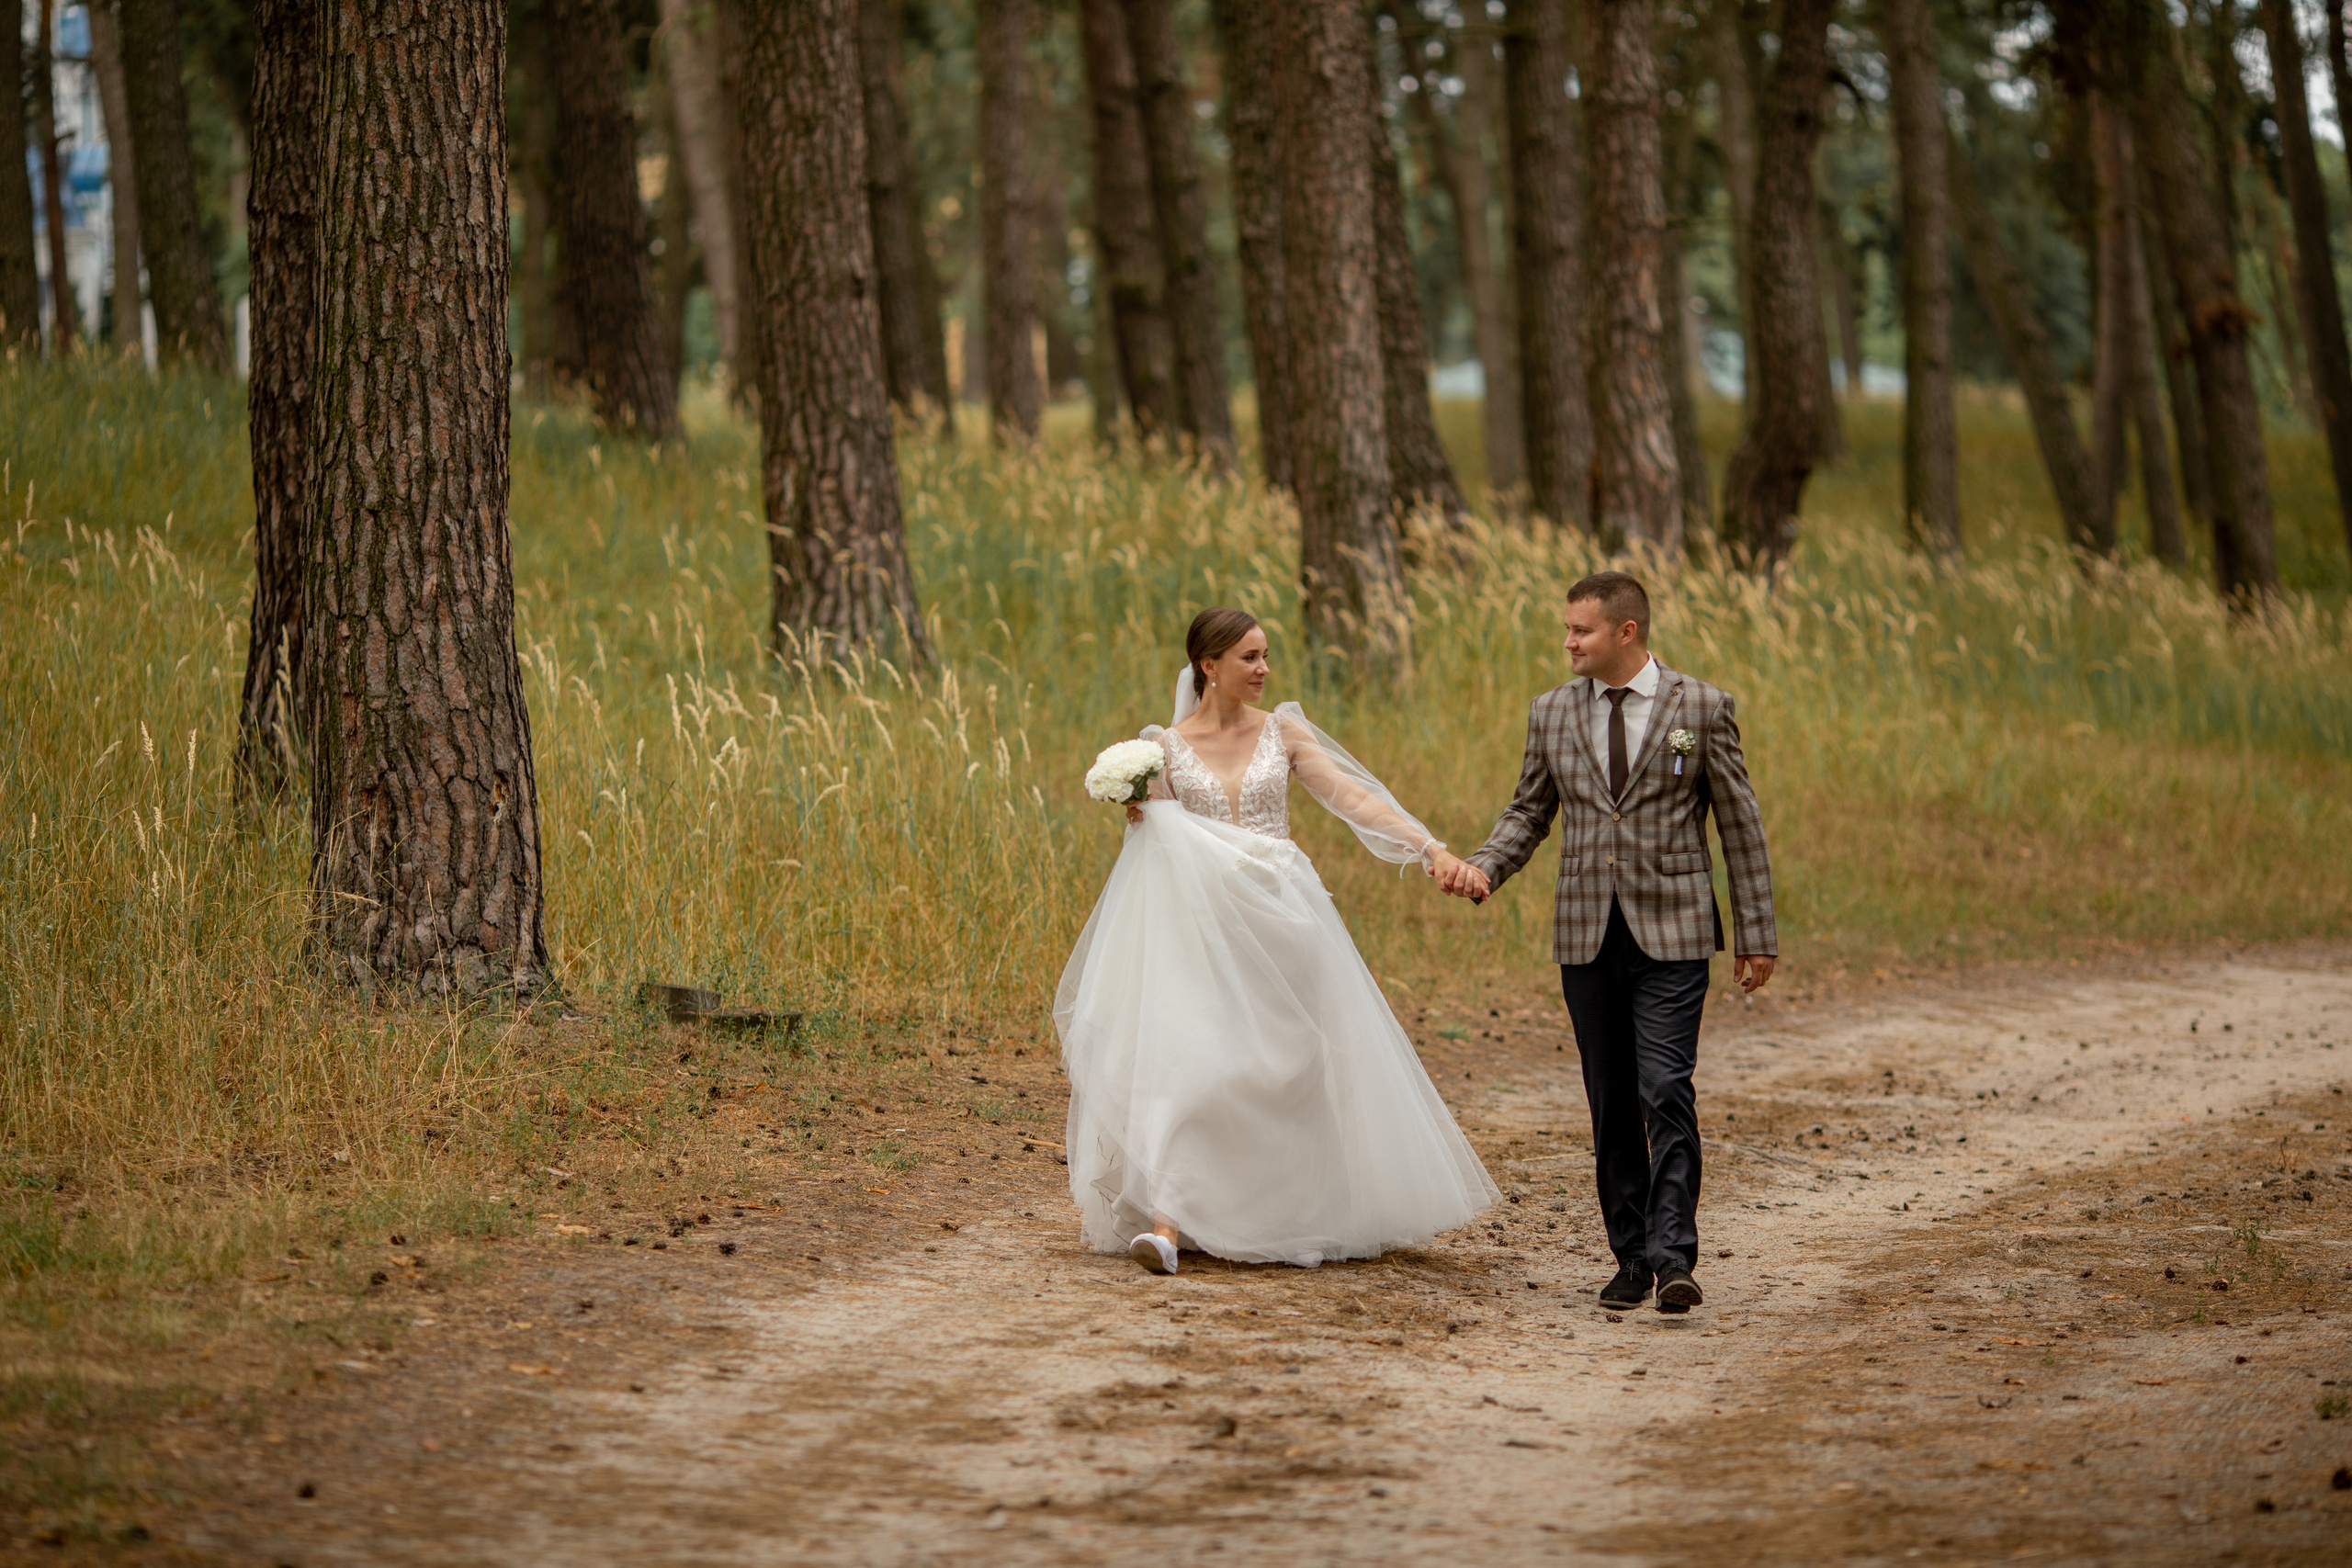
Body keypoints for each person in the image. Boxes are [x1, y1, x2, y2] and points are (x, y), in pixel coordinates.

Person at [1055, 607, 1499, 1275]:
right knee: (1189, 1063)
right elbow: (1153, 848)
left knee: (1286, 1066)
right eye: (1250, 658)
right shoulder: (1163, 748)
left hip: (1281, 915)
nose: (1264, 669)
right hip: (1198, 924)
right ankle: (1168, 1223)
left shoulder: (1283, 732)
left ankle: (1286, 1213)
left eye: (1265, 655)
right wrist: (1140, 811)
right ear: (1209, 666)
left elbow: (1353, 797)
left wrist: (1427, 846)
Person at [1439, 571, 1776, 1314]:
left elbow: (1739, 827)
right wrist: (1486, 867)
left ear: (1626, 632)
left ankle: (1674, 1257)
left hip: (1676, 930)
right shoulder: (1552, 713)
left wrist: (1757, 931)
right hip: (1587, 934)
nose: (1567, 642)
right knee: (1612, 1101)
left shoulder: (1703, 707)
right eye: (1566, 629)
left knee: (1665, 1088)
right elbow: (1529, 810)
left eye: (1580, 631)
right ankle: (1629, 1256)